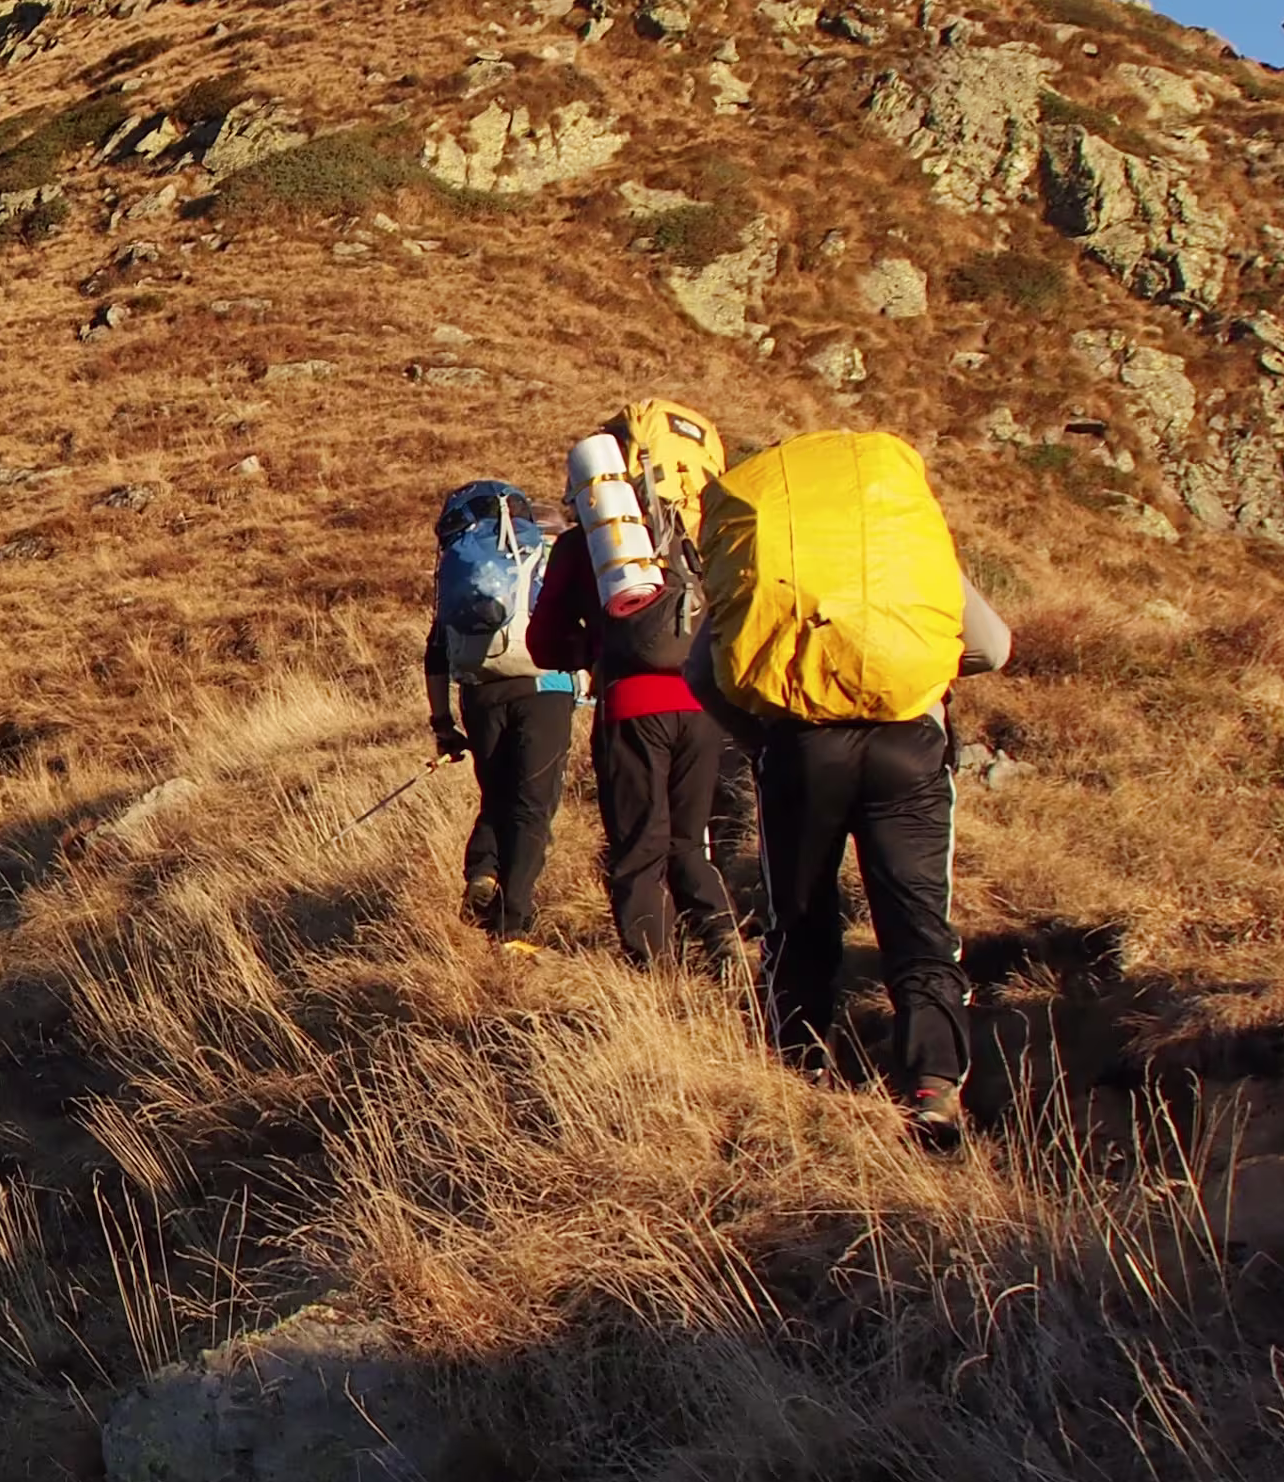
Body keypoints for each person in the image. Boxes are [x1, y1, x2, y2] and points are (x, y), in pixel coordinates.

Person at [698, 428, 1016, 1152]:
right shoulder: (907, 551)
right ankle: (932, 1090)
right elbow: (993, 647)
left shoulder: (768, 556)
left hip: (802, 748)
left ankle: (798, 1076)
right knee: (918, 924)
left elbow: (703, 674)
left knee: (800, 921)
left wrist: (763, 739)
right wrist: (922, 675)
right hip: (909, 742)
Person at [527, 405, 737, 971]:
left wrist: (590, 649)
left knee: (639, 847)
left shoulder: (590, 545)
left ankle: (654, 978)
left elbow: (543, 645)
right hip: (706, 704)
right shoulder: (699, 530)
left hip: (630, 707)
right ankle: (727, 954)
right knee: (690, 844)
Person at [422, 479, 581, 956]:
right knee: (532, 805)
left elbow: (436, 652)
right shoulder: (542, 554)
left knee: (497, 792)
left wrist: (442, 723)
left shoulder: (463, 565)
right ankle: (513, 927)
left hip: (480, 691)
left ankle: (482, 871)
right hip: (544, 686)